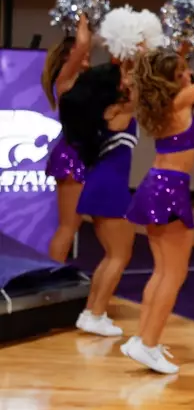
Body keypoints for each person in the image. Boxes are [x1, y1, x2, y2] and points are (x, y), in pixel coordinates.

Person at [119, 30, 194, 375]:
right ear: (172, 78)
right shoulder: (179, 100)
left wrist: (182, 43)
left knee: (163, 270)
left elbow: (162, 67)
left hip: (156, 182)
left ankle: (144, 339)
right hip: (170, 187)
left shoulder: (156, 100)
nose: (188, 74)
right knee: (174, 272)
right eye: (182, 71)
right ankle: (149, 343)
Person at [58, 63, 135, 338]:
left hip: (101, 185)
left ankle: (92, 312)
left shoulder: (105, 110)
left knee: (114, 254)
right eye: (123, 79)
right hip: (110, 188)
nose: (129, 80)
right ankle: (96, 313)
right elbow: (146, 87)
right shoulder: (119, 110)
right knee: (119, 255)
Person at [41, 16, 93, 263]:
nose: (86, 54)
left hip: (83, 153)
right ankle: (52, 278)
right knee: (68, 226)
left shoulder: (83, 81)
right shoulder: (66, 78)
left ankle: (56, 274)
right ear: (66, 58)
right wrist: (83, 19)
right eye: (78, 53)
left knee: (73, 225)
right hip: (72, 154)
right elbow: (82, 43)